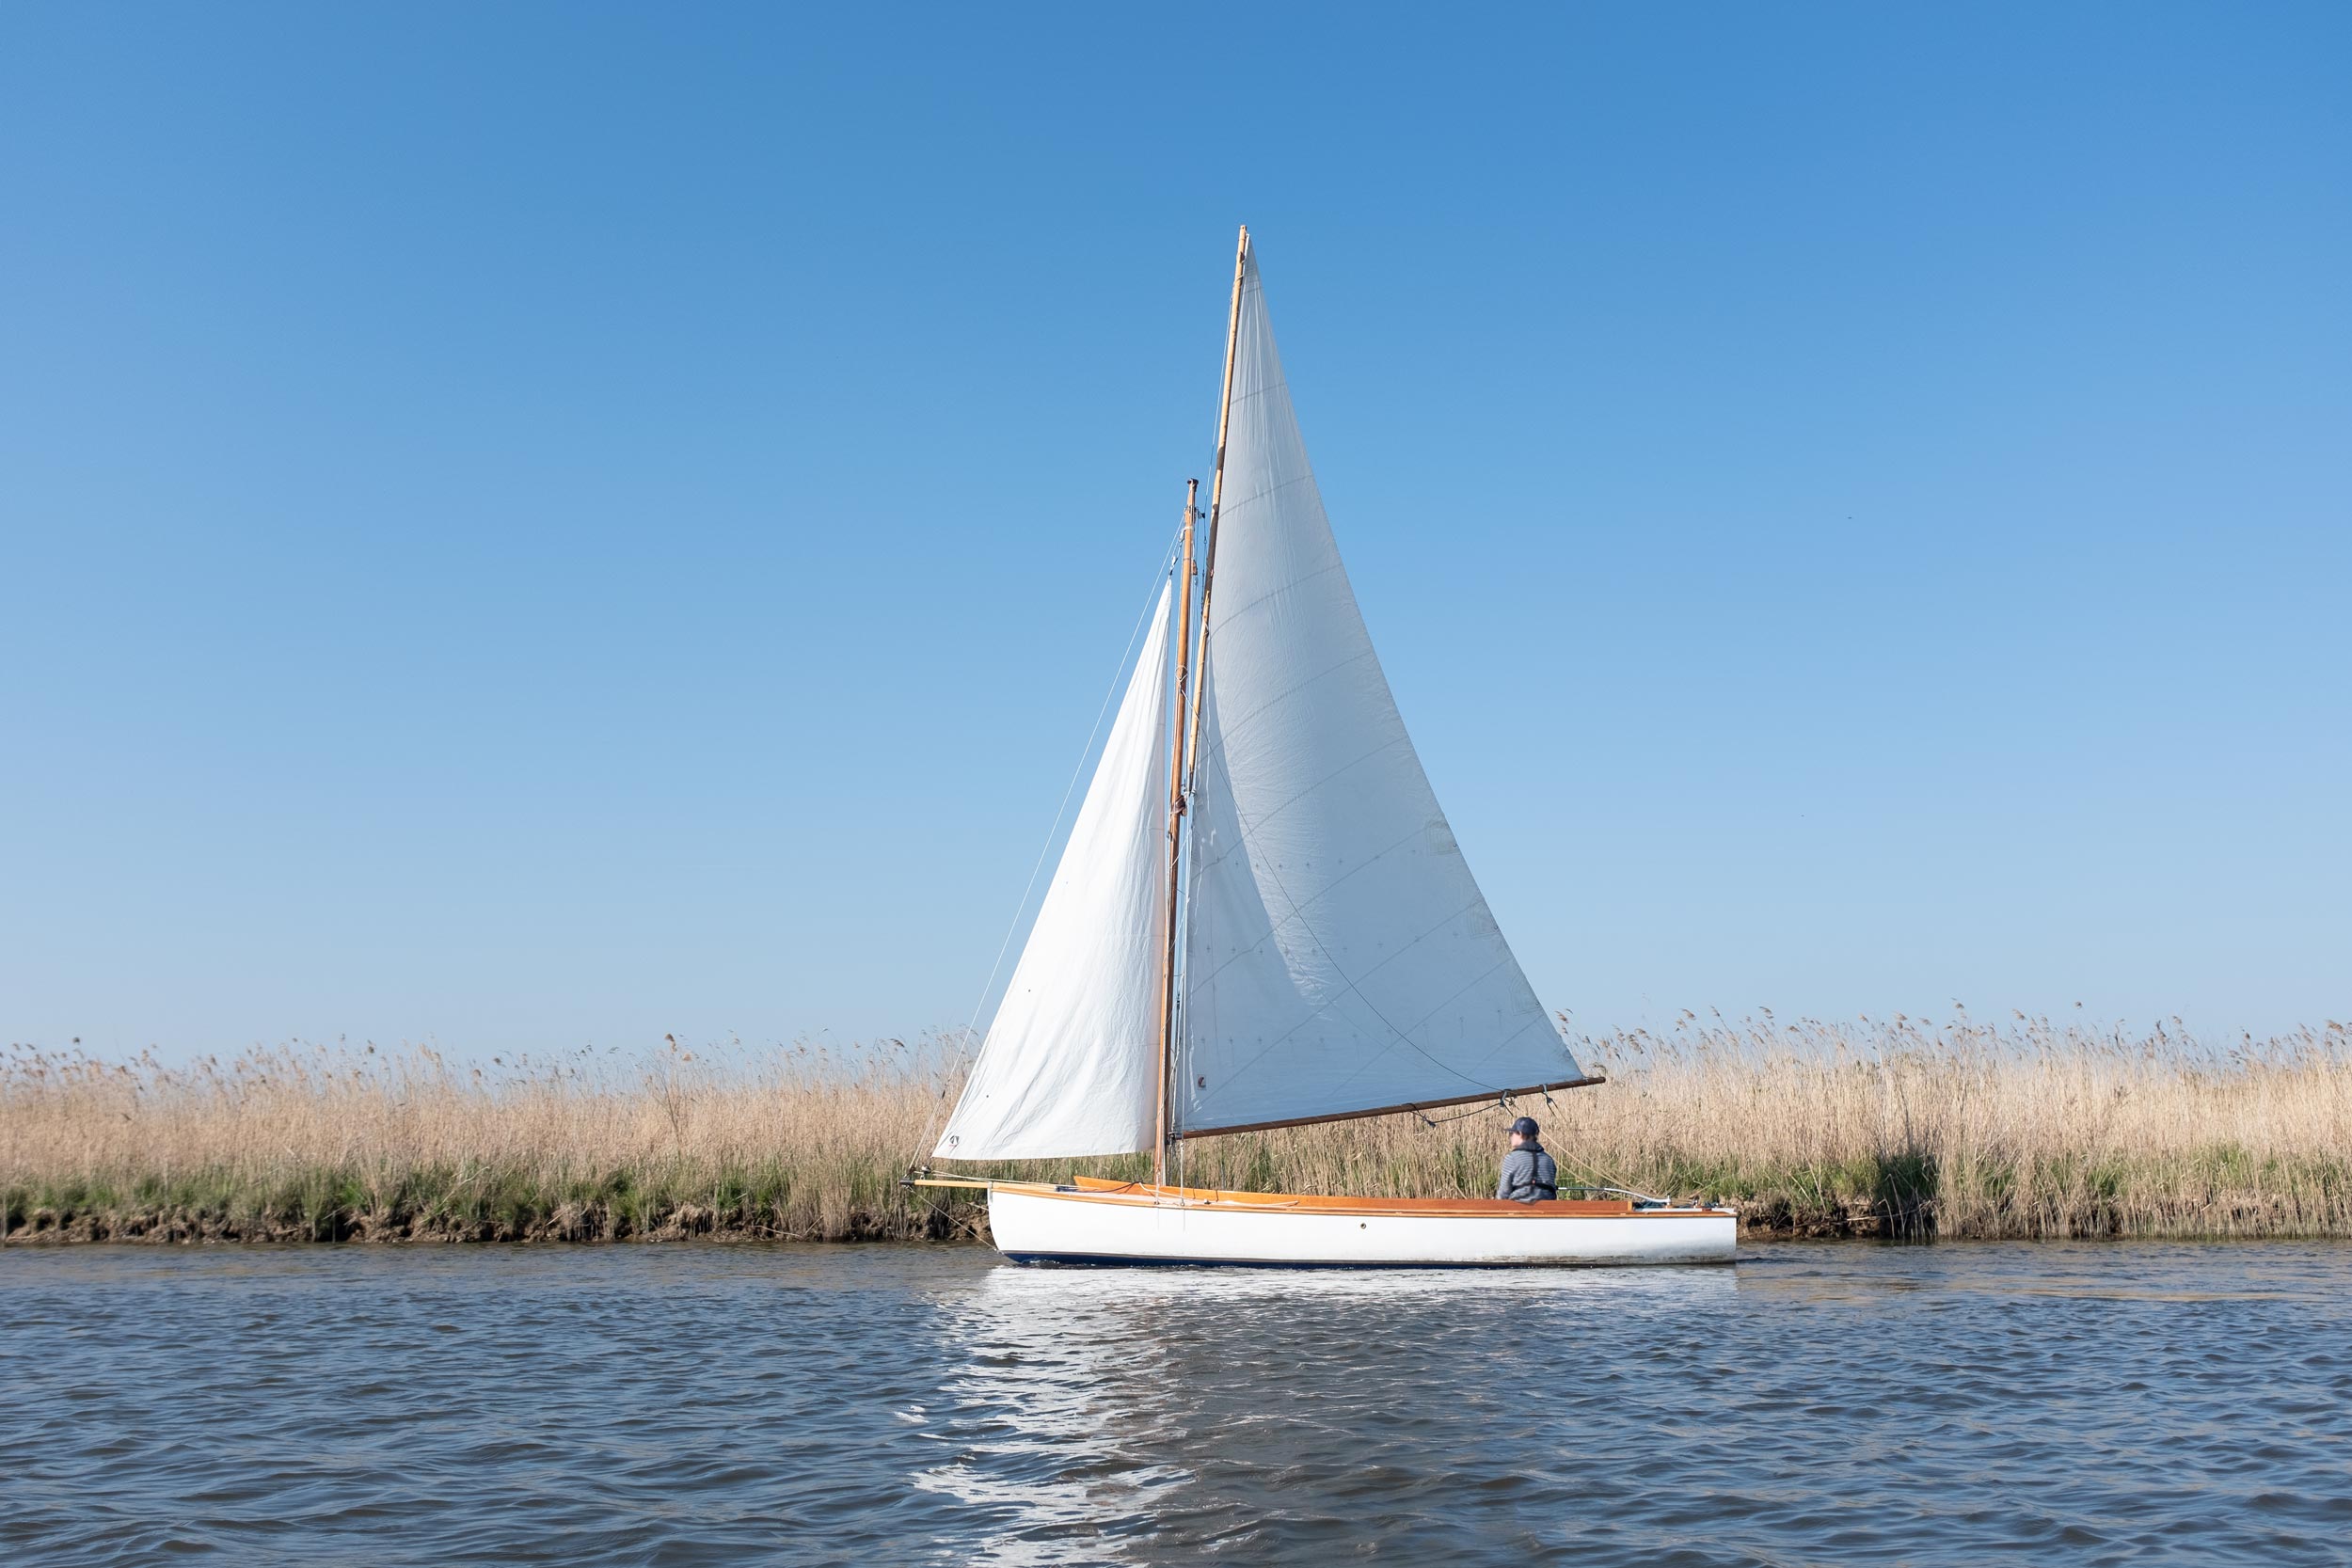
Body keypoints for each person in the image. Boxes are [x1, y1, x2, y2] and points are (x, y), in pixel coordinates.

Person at [1495, 1116, 1559, 1202]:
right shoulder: (1548, 1160)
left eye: (1512, 1133)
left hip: (1518, 1209)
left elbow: (1503, 1193)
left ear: (1520, 1134)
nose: (1510, 1137)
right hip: (1546, 1210)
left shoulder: (1512, 1158)